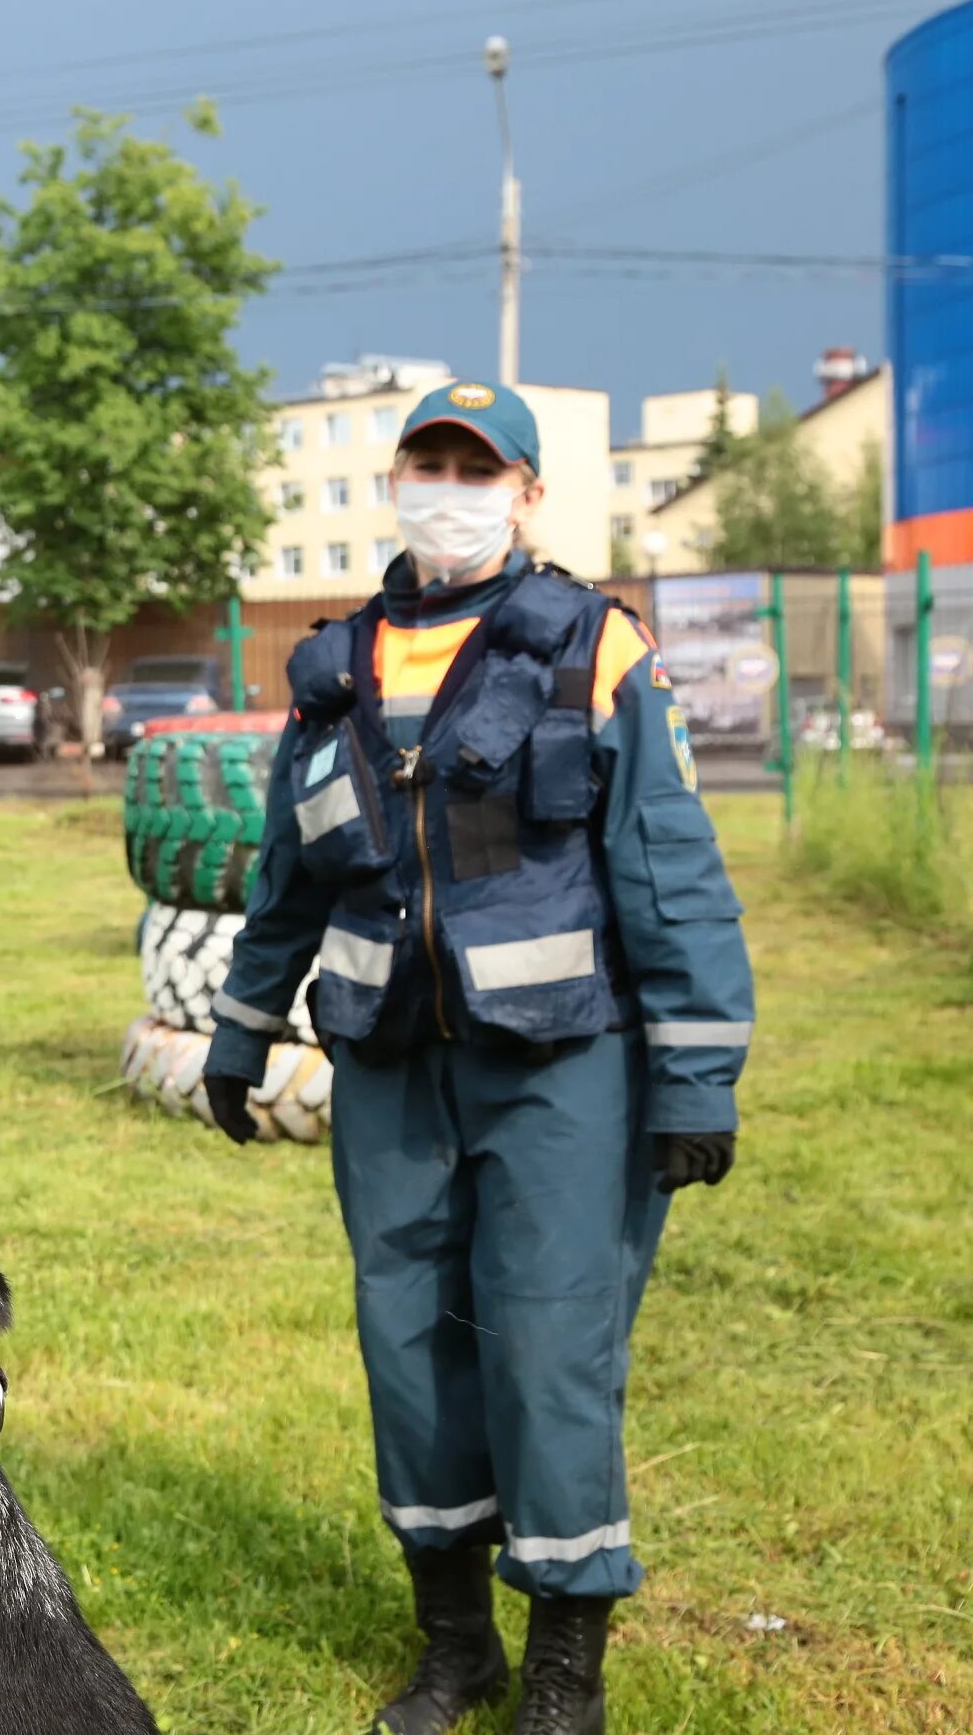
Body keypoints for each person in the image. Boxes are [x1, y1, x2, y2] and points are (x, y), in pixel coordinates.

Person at [201, 380, 752, 1735]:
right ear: (398, 482)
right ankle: (457, 1648)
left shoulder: (592, 647)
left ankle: (565, 1665)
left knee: (550, 1345)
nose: (447, 486)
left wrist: (692, 1078)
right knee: (409, 1341)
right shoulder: (334, 667)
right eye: (427, 462)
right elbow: (291, 870)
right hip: (391, 1064)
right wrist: (241, 1024)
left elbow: (670, 873)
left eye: (476, 466)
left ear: (526, 493)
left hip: (564, 1068)